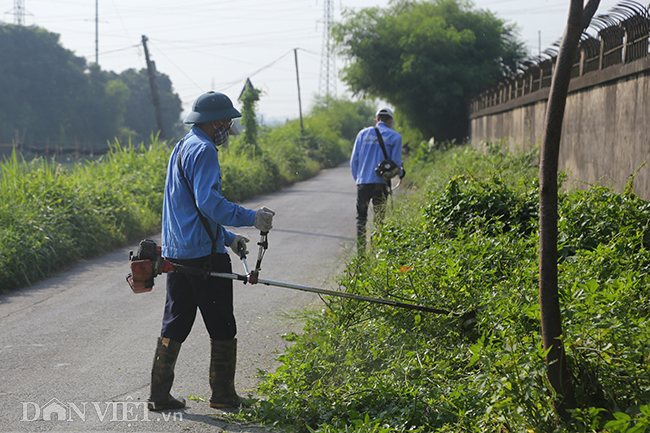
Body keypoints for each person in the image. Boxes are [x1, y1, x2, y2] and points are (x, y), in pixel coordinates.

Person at [148, 91, 276, 411]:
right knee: (222, 325)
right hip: (204, 258)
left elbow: (191, 210)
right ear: (215, 122)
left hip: (178, 253)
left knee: (175, 323)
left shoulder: (182, 146)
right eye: (227, 122)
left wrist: (228, 238)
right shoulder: (205, 151)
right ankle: (223, 395)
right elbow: (209, 203)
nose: (228, 128)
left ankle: (159, 395)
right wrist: (252, 218)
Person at [350, 107, 404, 251]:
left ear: (376, 120)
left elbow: (353, 161)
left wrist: (359, 180)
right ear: (390, 121)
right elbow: (396, 164)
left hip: (363, 184)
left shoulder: (362, 134)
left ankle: (360, 256)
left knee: (361, 220)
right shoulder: (395, 137)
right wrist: (401, 172)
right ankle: (376, 253)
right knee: (379, 221)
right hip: (380, 185)